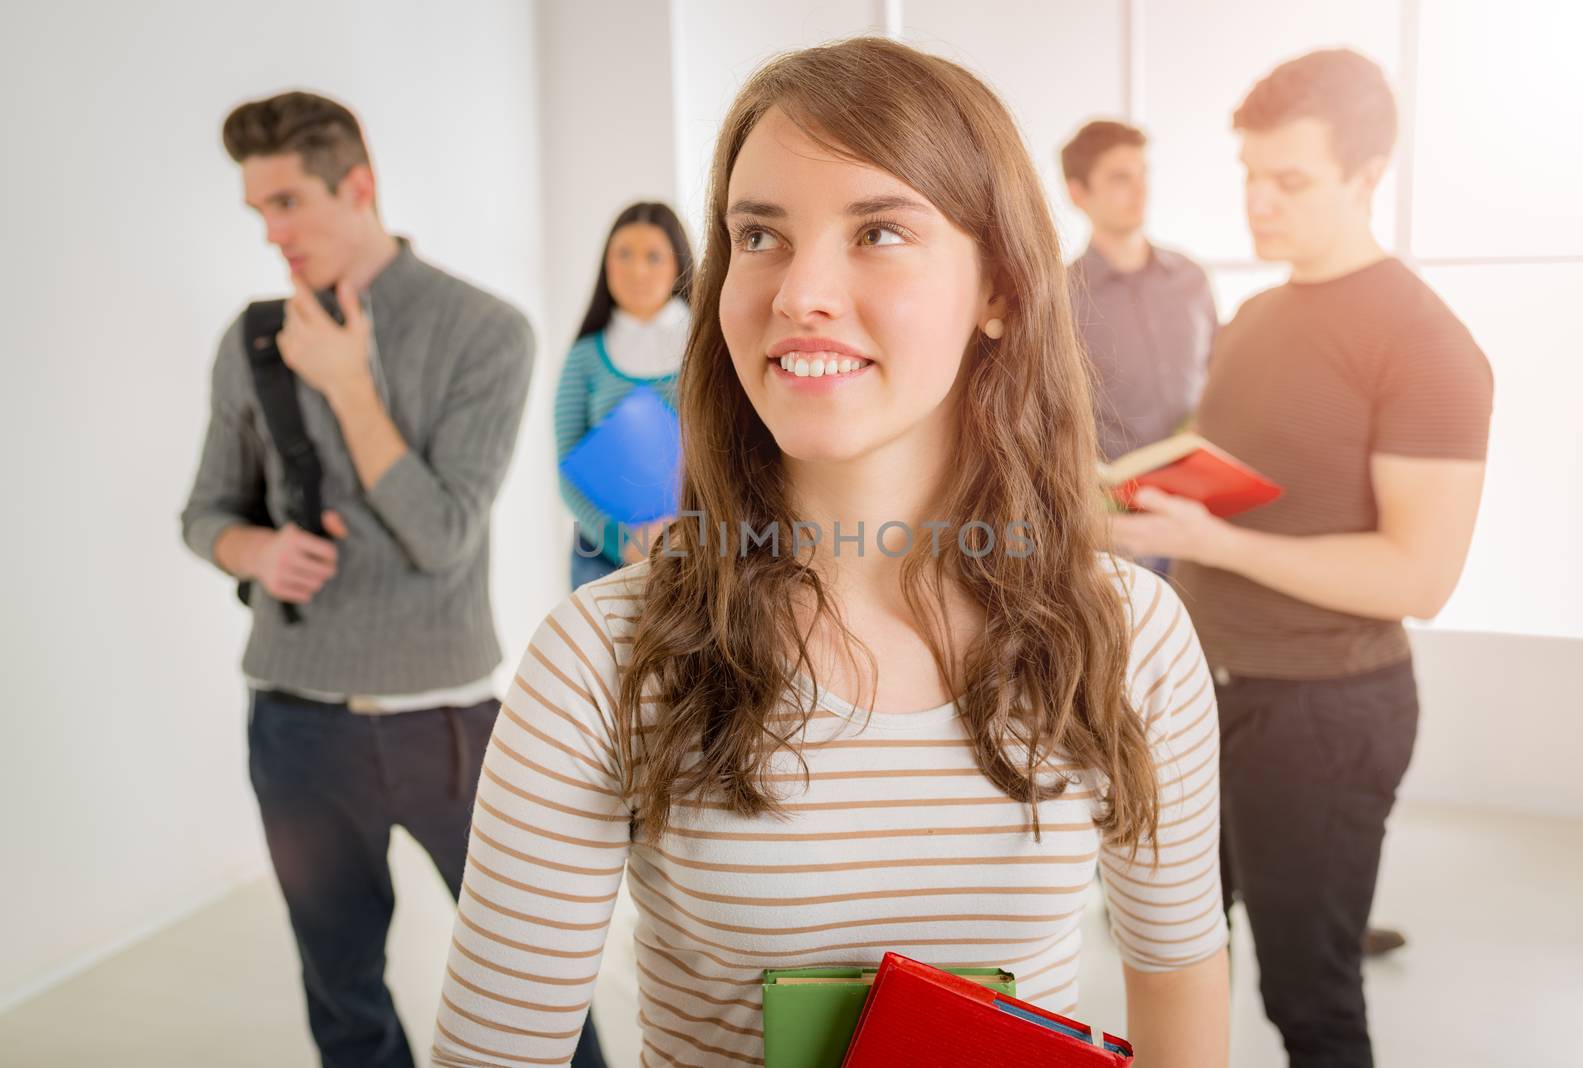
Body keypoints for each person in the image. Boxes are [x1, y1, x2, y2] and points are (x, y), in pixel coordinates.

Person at [432, 38, 1228, 1068]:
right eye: (758, 234)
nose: (799, 291)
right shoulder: (597, 660)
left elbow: (1178, 985)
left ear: (997, 289)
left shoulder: (1130, 635)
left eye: (880, 231)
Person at [1112, 49, 1493, 1068]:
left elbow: (1417, 577)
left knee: (1308, 1003)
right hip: (1205, 691)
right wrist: (1126, 503)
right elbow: (1224, 467)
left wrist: (1211, 542)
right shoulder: (1254, 317)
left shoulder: (1425, 343)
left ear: (1367, 176)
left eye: (1289, 181)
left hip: (1321, 713)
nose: (1258, 202)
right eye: (1247, 174)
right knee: (1174, 953)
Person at [178, 91, 555, 1068]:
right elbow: (205, 512)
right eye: (258, 211)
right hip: (298, 722)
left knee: (531, 982)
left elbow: (443, 534)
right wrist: (251, 552)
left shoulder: (487, 332)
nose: (273, 233)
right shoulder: (253, 339)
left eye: (289, 203)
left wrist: (348, 382)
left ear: (360, 188)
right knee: (342, 997)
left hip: (449, 722)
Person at [555, 202, 694, 589]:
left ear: (678, 263)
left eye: (653, 256)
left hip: (700, 547)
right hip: (601, 557)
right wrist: (624, 542)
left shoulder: (709, 348)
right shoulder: (584, 358)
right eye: (624, 255)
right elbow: (567, 472)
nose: (637, 270)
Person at [1064, 120, 1217, 470]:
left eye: (1143, 173)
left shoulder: (1191, 278)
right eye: (1121, 178)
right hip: (1112, 498)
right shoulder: (1059, 297)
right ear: (1078, 194)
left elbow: (1219, 370)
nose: (1140, 190)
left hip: (1204, 480)